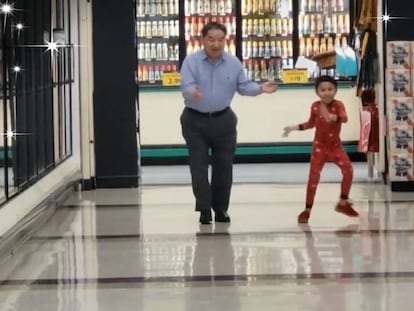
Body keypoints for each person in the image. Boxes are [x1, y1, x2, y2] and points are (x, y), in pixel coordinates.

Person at [180, 22, 277, 225]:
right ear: (202, 40)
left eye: (220, 40)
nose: (216, 44)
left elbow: (243, 86)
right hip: (194, 120)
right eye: (211, 39)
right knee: (198, 166)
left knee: (224, 167)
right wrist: (193, 92)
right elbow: (186, 85)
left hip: (224, 120)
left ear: (226, 40)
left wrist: (260, 88)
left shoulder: (233, 63)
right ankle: (204, 209)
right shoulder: (191, 62)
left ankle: (221, 209)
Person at [282, 75, 359, 223]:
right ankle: (307, 210)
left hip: (336, 147)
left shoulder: (339, 105)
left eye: (330, 89)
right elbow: (311, 124)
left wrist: (333, 117)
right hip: (319, 148)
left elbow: (344, 118)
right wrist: (293, 128)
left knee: (348, 170)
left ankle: (343, 202)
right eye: (322, 90)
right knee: (313, 178)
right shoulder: (315, 106)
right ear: (317, 92)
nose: (327, 92)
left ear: (335, 90)